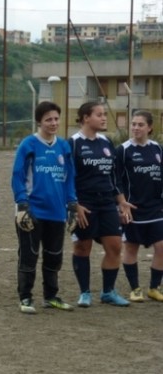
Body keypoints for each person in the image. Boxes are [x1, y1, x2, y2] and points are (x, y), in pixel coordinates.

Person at [11, 101, 77, 314]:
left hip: (57, 212)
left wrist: (72, 204)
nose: (53, 123)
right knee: (29, 255)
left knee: (54, 256)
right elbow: (18, 176)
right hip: (32, 211)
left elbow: (69, 179)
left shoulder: (64, 146)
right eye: (48, 119)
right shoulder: (29, 144)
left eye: (56, 118)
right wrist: (22, 204)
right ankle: (26, 297)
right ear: (39, 121)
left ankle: (51, 296)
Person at [69, 101, 131, 307]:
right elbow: (67, 178)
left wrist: (121, 202)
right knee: (82, 247)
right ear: (86, 118)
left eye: (104, 114)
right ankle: (85, 293)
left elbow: (114, 178)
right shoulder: (74, 143)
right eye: (99, 114)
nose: (104, 118)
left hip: (106, 203)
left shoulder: (106, 143)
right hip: (84, 204)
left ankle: (108, 291)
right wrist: (74, 205)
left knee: (114, 247)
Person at [116, 111, 163, 302]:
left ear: (149, 127)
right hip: (132, 208)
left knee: (161, 248)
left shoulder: (158, 149)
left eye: (140, 124)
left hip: (156, 208)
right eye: (133, 124)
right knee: (131, 249)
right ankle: (135, 288)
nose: (136, 128)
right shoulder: (123, 150)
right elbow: (116, 179)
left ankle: (154, 287)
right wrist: (121, 203)